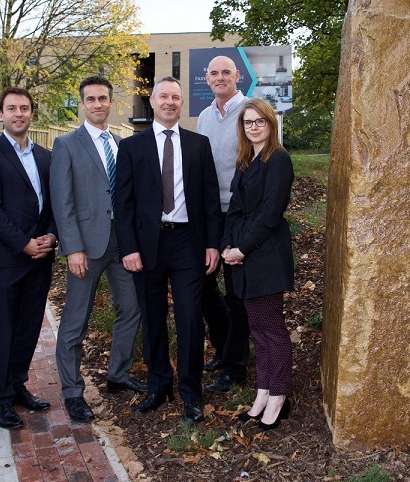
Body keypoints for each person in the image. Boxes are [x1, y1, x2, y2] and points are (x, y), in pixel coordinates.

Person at [114, 76, 222, 424]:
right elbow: (124, 204)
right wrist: (128, 248)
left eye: (176, 97)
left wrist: (212, 244)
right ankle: (159, 385)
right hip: (147, 246)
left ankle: (191, 393)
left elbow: (210, 200)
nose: (170, 102)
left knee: (190, 319)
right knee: (153, 317)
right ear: (152, 100)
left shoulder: (198, 144)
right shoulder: (132, 147)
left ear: (181, 102)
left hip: (188, 243)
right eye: (164, 96)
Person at [50, 76, 146, 423]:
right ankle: (72, 391)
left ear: (110, 102)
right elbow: (62, 202)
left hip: (121, 245)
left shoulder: (122, 144)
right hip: (86, 248)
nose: (97, 104)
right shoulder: (67, 144)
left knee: (131, 309)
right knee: (76, 320)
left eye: (103, 98)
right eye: (90, 99)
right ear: (83, 103)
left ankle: (117, 375)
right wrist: (71, 248)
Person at [0, 87, 57, 430]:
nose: (18, 113)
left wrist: (51, 235)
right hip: (8, 258)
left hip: (41, 257)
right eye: (11, 108)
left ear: (31, 113)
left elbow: (53, 202)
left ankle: (18, 386)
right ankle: (1, 400)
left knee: (27, 328)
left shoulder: (45, 156)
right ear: (2, 114)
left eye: (24, 108)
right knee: (3, 330)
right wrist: (23, 243)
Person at [221, 99, 295, 430]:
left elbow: (269, 214)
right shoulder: (245, 161)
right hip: (242, 258)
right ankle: (263, 390)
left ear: (270, 124)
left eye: (259, 121)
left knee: (272, 330)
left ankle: (280, 395)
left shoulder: (278, 160)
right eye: (248, 122)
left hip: (264, 257)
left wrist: (242, 248)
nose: (253, 126)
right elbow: (235, 209)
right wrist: (226, 245)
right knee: (258, 332)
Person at [196, 55, 251, 392]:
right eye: (213, 73)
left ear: (237, 75)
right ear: (207, 78)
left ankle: (236, 366)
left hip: (238, 215)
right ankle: (223, 346)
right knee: (203, 287)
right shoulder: (203, 117)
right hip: (208, 214)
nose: (219, 78)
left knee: (236, 293)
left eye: (225, 72)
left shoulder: (249, 112)